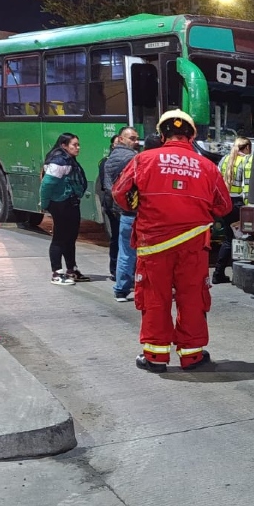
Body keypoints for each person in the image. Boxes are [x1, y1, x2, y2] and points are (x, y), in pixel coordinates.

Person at [111, 110, 232, 372]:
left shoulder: (143, 160)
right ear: (192, 135)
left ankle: (155, 358)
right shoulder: (207, 166)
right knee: (192, 297)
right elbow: (223, 206)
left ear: (162, 133)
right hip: (193, 245)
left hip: (154, 244)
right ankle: (192, 356)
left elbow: (120, 193)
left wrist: (137, 205)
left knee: (155, 297)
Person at [39, 133, 90, 285]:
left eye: (78, 144)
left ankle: (71, 270)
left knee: (70, 238)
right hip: (60, 203)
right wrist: (44, 203)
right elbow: (47, 184)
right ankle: (57, 273)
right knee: (59, 239)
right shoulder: (59, 161)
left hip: (70, 202)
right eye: (74, 145)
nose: (78, 148)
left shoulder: (67, 159)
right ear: (64, 145)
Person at [104, 126, 140, 302]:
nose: (136, 142)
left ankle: (120, 289)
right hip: (134, 212)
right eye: (132, 138)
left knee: (124, 251)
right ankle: (136, 285)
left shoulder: (109, 159)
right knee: (137, 251)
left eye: (136, 138)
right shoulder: (133, 158)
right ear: (121, 139)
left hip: (120, 210)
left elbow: (109, 186)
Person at [213, 137, 252, 283]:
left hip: (225, 204)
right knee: (242, 239)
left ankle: (218, 274)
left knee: (229, 239)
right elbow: (247, 185)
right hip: (239, 204)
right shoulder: (247, 160)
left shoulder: (224, 159)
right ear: (247, 147)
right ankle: (238, 275)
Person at [97, 134, 121, 281]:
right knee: (116, 237)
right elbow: (106, 185)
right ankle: (114, 269)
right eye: (117, 143)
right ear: (112, 146)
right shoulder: (106, 162)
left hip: (119, 204)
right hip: (112, 205)